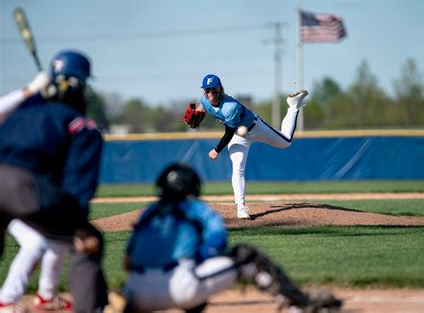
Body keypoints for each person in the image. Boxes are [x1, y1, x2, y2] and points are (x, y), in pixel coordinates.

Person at [105, 163, 342, 313]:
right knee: (246, 256)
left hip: (136, 292)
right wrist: (196, 259)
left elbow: (127, 262)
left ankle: (120, 305)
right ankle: (300, 305)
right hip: (180, 286)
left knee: (194, 289)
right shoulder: (196, 209)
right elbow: (218, 241)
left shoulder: (148, 213)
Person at [0, 49, 108, 312]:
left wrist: (26, 92)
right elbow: (79, 185)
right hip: (22, 187)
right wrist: (78, 225)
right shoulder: (80, 124)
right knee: (87, 241)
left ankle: (32, 297)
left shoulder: (20, 115)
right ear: (79, 87)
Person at [187, 74, 309, 219]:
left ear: (220, 89)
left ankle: (293, 105)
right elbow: (203, 106)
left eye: (213, 90)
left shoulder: (230, 107)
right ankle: (241, 208)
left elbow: (228, 132)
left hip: (254, 128)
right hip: (238, 136)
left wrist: (217, 150)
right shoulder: (205, 100)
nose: (210, 93)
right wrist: (197, 114)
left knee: (286, 142)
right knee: (237, 168)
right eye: (207, 90)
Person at [0, 69, 73, 312]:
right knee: (41, 239)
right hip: (6, 190)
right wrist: (30, 89)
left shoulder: (22, 118)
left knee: (48, 238)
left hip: (10, 192)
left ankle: (41, 296)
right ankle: (9, 300)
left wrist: (40, 92)